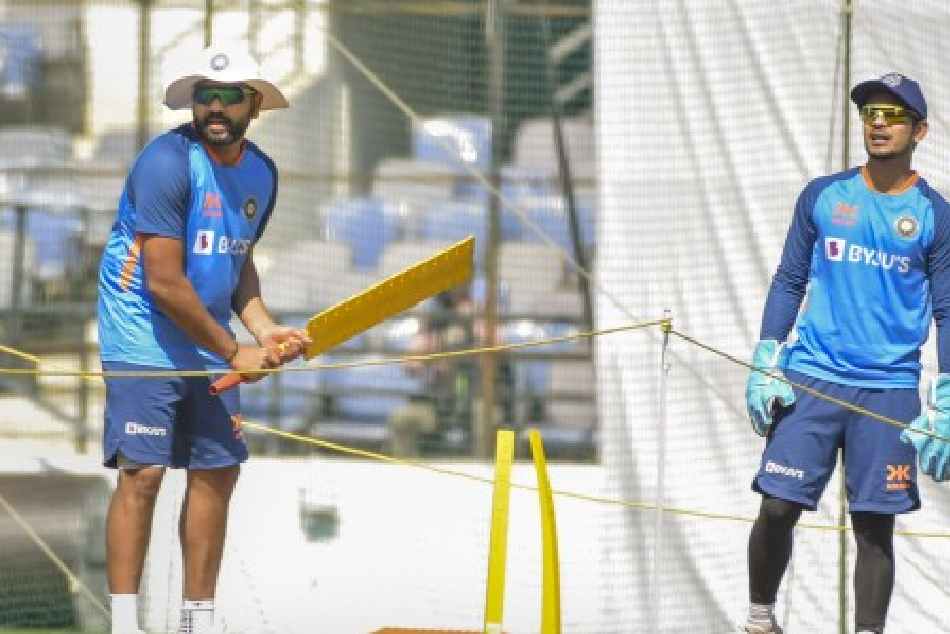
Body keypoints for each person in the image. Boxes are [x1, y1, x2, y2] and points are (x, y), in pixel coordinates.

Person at [96, 44, 310, 634]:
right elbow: (164, 281)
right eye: (205, 96)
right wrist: (236, 350)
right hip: (142, 335)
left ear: (254, 105)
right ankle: (123, 625)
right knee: (143, 475)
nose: (215, 107)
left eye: (229, 96)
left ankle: (196, 622)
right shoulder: (165, 162)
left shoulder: (261, 171)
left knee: (218, 473)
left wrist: (263, 328)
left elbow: (237, 261)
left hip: (209, 338)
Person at [743, 72, 950, 634]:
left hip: (888, 389)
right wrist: (766, 358)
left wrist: (947, 400)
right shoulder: (824, 195)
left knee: (874, 526)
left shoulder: (935, 214)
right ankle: (760, 621)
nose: (878, 123)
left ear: (919, 131)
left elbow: (947, 311)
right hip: (811, 376)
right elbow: (789, 281)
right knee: (777, 506)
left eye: (893, 115)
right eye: (870, 113)